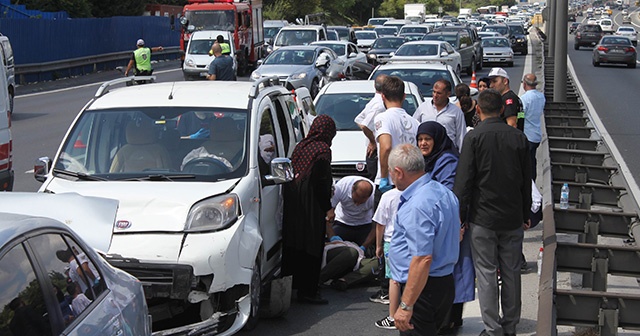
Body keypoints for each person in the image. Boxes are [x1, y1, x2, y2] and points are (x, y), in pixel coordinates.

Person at [453, 89, 531, 336]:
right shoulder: (519, 138)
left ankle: (492, 328)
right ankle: (510, 326)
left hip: (482, 217)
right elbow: (527, 179)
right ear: (501, 110)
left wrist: (460, 217)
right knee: (511, 271)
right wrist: (525, 213)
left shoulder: (474, 138)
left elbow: (464, 181)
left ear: (478, 110)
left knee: (486, 273)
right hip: (511, 217)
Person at [388, 144, 460, 335]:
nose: (391, 178)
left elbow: (422, 259)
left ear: (398, 172)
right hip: (441, 283)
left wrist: (406, 305)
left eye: (391, 173)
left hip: (422, 289)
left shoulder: (418, 205)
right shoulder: (443, 192)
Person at [417, 121, 474, 333]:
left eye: (427, 139)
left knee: (452, 272)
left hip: (450, 226)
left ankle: (450, 319)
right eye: (420, 139)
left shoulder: (447, 161)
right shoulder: (430, 160)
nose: (423, 143)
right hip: (440, 226)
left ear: (437, 140)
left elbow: (448, 195)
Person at [282, 114, 336, 304]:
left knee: (294, 240)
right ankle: (308, 291)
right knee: (312, 242)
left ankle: (290, 286)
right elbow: (320, 182)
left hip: (294, 199)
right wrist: (328, 209)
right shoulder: (323, 150)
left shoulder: (301, 146)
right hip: (311, 202)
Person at [374, 76, 420, 194]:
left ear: (383, 96)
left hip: (390, 180)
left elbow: (386, 147)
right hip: (410, 181)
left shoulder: (382, 118)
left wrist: (384, 177)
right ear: (404, 96)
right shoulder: (415, 122)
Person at [373, 187, 402, 329]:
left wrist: (378, 245)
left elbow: (380, 223)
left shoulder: (388, 196)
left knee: (394, 279)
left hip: (392, 241)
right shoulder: (418, 192)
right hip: (412, 240)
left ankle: (392, 316)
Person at [412, 79, 467, 152]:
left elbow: (461, 136)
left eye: (439, 93)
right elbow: (414, 129)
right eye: (434, 92)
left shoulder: (456, 112)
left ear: (448, 94)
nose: (435, 95)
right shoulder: (423, 108)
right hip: (426, 153)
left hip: (447, 153)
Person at [326, 176, 376, 248]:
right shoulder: (341, 187)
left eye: (361, 203)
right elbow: (328, 215)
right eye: (355, 201)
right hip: (342, 223)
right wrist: (332, 237)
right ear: (352, 189)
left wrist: (364, 247)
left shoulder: (375, 196)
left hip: (365, 224)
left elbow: (377, 225)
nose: (357, 205)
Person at [354, 74, 387, 180]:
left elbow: (359, 119)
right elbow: (364, 125)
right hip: (376, 150)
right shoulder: (379, 105)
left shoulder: (374, 102)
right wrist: (372, 141)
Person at [520, 73, 546, 179]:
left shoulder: (524, 99)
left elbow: (521, 115)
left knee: (526, 163)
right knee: (532, 161)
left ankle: (530, 186)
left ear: (525, 84)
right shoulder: (541, 96)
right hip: (536, 134)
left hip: (527, 134)